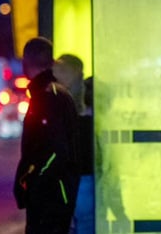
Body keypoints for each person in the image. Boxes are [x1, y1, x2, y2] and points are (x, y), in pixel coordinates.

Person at [14, 37, 80, 234]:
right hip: (57, 192)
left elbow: (54, 151)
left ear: (25, 62)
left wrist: (31, 179)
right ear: (51, 62)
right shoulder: (56, 94)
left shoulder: (46, 97)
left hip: (49, 195)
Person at [53, 54, 94, 234]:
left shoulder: (54, 106)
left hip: (62, 179)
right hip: (85, 178)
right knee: (86, 224)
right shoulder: (89, 111)